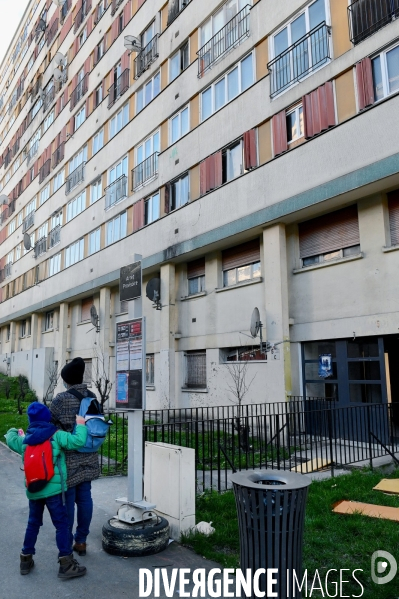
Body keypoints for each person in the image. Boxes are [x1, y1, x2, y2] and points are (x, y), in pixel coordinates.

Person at [5, 402, 88, 578]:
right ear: (47, 418)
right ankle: (65, 563)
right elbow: (78, 441)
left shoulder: (25, 440)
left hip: (34, 489)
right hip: (54, 491)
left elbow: (10, 438)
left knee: (33, 523)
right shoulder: (56, 435)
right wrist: (80, 425)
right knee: (61, 524)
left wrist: (15, 430)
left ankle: (26, 558)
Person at [50, 357, 100, 556]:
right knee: (85, 498)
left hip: (68, 457)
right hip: (89, 454)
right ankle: (81, 541)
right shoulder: (93, 397)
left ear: (67, 380)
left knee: (68, 501)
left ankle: (67, 541)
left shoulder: (61, 399)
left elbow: (49, 425)